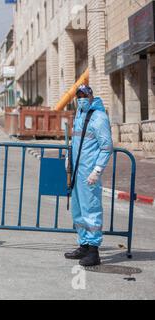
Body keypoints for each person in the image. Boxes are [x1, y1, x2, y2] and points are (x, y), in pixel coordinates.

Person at [65, 85, 113, 267]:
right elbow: (77, 141)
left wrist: (97, 170)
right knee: (78, 211)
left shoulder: (99, 117)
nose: (81, 98)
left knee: (91, 210)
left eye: (84, 95)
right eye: (78, 96)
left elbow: (106, 146)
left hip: (89, 173)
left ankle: (94, 251)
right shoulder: (80, 114)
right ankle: (83, 245)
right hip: (78, 171)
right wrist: (69, 159)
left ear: (91, 96)